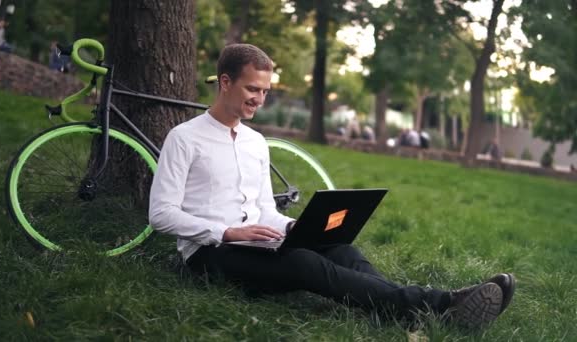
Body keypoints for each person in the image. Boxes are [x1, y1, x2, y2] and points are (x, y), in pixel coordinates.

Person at [149, 44, 515, 330]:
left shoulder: (255, 142)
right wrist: (227, 232)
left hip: (257, 244)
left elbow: (266, 211)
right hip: (209, 255)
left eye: (265, 92)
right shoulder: (184, 139)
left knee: (340, 247)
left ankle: (409, 311)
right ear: (225, 82)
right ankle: (441, 303)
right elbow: (161, 214)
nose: (259, 100)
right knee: (304, 262)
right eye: (252, 89)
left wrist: (294, 227)